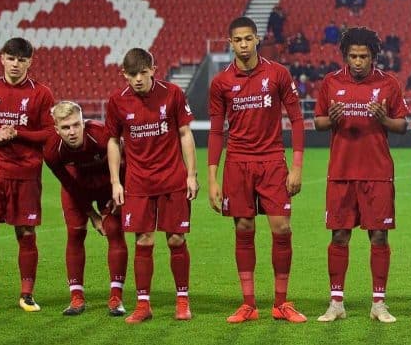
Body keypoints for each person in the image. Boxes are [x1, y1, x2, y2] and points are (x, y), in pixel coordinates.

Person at [208, 16, 306, 323]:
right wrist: (212, 177)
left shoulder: (277, 73)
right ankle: (248, 304)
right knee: (244, 229)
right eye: (237, 40)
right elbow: (214, 131)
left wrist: (297, 166)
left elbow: (298, 119)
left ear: (257, 39)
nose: (243, 44)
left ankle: (281, 302)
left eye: (248, 39)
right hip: (237, 163)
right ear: (231, 43)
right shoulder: (221, 82)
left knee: (282, 229)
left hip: (273, 161)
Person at [313, 27, 408, 323]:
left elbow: (403, 126)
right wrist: (332, 120)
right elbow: (317, 122)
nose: (358, 62)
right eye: (353, 56)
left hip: (377, 173)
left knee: (378, 236)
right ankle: (336, 302)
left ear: (374, 57)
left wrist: (384, 119)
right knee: (339, 236)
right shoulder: (330, 82)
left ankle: (378, 303)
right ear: (345, 56)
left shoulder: (389, 84)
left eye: (363, 56)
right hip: (341, 173)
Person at [106, 48, 199, 324]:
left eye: (142, 74)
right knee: (143, 241)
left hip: (172, 180)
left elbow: (184, 133)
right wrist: (115, 181)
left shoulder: (172, 93)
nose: (137, 80)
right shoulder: (117, 101)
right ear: (124, 74)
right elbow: (112, 141)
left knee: (176, 240)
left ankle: (182, 300)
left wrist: (191, 174)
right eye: (131, 75)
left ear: (153, 70)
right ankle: (143, 304)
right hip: (138, 184)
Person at [0, 37, 55, 315]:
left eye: (22, 60)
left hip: (26, 174)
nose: (16, 64)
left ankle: (27, 296)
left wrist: (19, 133)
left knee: (26, 234)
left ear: (30, 62)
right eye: (11, 58)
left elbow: (49, 133)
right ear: (2, 58)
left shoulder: (42, 93)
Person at [43, 101, 128, 316]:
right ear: (56, 129)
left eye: (75, 125)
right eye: (65, 127)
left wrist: (118, 195)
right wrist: (91, 215)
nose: (72, 132)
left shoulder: (100, 135)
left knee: (115, 232)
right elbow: (69, 184)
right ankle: (76, 298)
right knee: (75, 234)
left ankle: (116, 298)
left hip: (108, 185)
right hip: (76, 189)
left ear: (83, 122)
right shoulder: (52, 151)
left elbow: (126, 164)